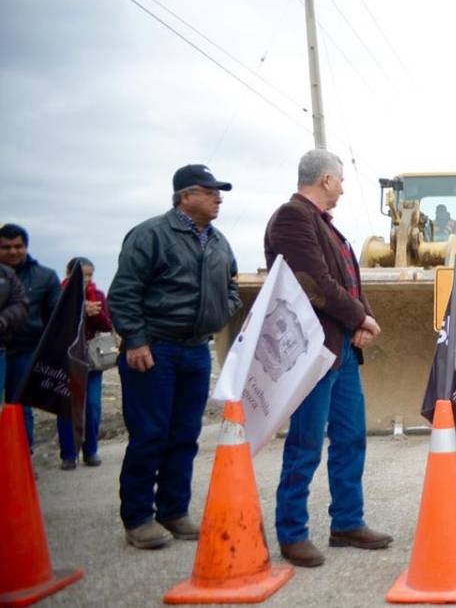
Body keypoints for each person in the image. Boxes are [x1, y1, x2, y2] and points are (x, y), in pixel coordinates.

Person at [265, 149, 392, 567]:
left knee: (350, 437)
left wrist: (362, 317)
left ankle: (347, 522)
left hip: (341, 353)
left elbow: (349, 281)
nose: (342, 186)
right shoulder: (292, 218)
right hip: (313, 354)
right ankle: (292, 531)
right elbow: (313, 283)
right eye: (339, 179)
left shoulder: (326, 227)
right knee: (305, 442)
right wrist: (360, 317)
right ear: (324, 179)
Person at [108, 165, 241, 549]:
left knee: (185, 435)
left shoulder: (218, 243)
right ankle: (138, 518)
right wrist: (135, 341)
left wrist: (221, 312)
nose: (218, 197)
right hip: (155, 349)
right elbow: (124, 292)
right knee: (150, 434)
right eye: (210, 191)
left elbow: (231, 287)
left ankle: (173, 511)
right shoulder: (151, 235)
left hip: (195, 350)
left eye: (220, 191)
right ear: (185, 196)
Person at [0, 223, 61, 448]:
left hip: (26, 351)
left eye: (18, 246)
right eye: (6, 247)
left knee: (21, 407)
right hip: (1, 348)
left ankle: (22, 461)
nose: (13, 251)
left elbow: (56, 316)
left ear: (26, 246)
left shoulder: (45, 277)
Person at [55, 257, 112, 470]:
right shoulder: (58, 295)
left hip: (90, 359)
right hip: (66, 357)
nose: (86, 280)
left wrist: (95, 314)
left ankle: (91, 451)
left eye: (89, 275)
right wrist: (79, 310)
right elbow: (54, 324)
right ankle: (68, 454)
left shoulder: (98, 296)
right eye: (81, 275)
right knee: (67, 406)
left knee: (93, 406)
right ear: (69, 274)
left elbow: (107, 324)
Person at [0, 263, 29, 423]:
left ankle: (22, 447)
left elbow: (19, 305)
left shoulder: (6, 274)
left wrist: (3, 320)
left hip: (9, 347)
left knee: (19, 406)